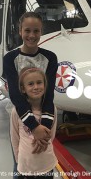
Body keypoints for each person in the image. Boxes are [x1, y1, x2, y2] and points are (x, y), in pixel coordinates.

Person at [3, 12, 58, 152]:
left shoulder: (50, 58)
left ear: (41, 32)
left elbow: (49, 94)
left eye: (36, 31)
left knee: (44, 161)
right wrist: (33, 127)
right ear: (20, 31)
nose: (32, 35)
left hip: (45, 115)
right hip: (20, 116)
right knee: (22, 159)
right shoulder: (10, 58)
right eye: (27, 30)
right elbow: (15, 95)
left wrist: (43, 129)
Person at [10, 67, 57, 178]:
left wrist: (43, 142)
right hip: (26, 166)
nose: (36, 87)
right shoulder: (16, 112)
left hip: (47, 164)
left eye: (39, 82)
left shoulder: (52, 109)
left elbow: (52, 134)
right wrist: (18, 160)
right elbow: (15, 137)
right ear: (23, 89)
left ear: (45, 86)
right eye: (30, 84)